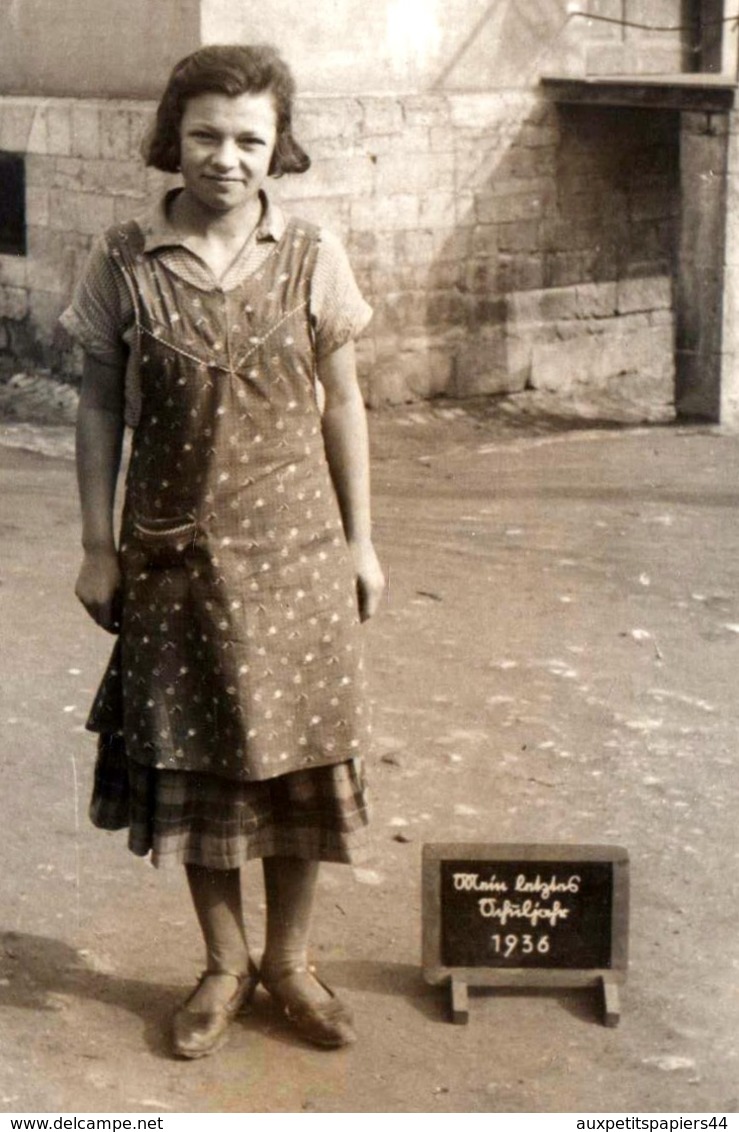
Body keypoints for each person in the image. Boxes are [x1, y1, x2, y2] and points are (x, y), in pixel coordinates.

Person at [61, 43, 384, 1058]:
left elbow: (344, 403)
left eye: (250, 138)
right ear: (173, 136)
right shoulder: (123, 258)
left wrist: (362, 543)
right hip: (174, 565)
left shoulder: (312, 253)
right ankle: (224, 962)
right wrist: (97, 547)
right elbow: (101, 405)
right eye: (205, 134)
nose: (227, 158)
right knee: (198, 771)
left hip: (298, 558)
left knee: (296, 773)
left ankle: (290, 963)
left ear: (276, 145)